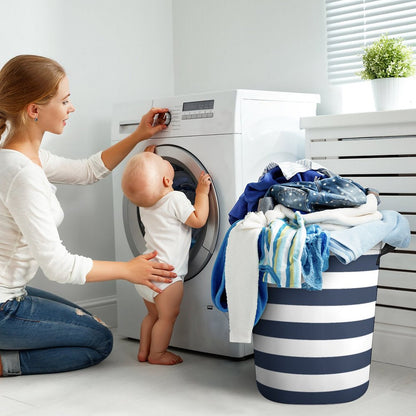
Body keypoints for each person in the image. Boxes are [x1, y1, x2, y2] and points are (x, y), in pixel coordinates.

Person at [0, 54, 177, 376]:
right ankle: (5, 362)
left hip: (9, 292)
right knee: (98, 340)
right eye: (65, 101)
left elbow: (88, 171)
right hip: (3, 306)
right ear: (34, 110)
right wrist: (129, 270)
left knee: (90, 322)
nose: (72, 108)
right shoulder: (21, 173)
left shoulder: (22, 155)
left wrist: (139, 135)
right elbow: (58, 266)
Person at [121, 148, 211, 365]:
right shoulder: (176, 198)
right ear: (167, 180)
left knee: (152, 316)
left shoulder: (144, 203)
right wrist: (200, 193)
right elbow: (198, 220)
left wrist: (147, 159)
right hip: (167, 276)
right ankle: (157, 354)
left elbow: (145, 184)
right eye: (162, 161)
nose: (164, 159)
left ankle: (143, 351)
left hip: (147, 271)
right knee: (167, 318)